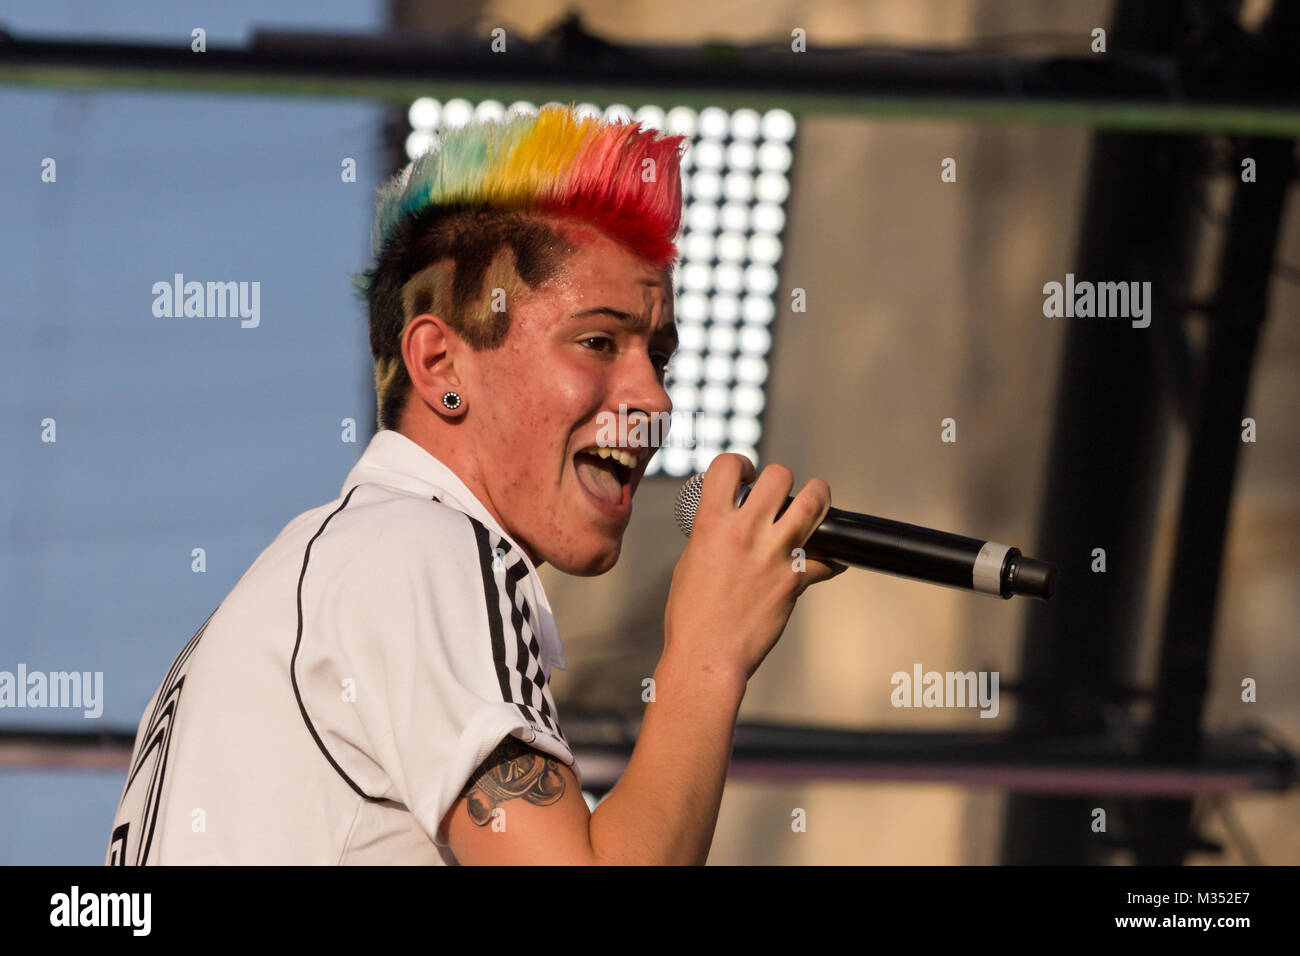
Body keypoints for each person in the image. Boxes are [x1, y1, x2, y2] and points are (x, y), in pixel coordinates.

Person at [106, 104, 841, 866]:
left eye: (658, 356)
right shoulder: (421, 547)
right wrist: (708, 652)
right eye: (598, 341)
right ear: (441, 367)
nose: (653, 399)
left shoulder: (315, 577)